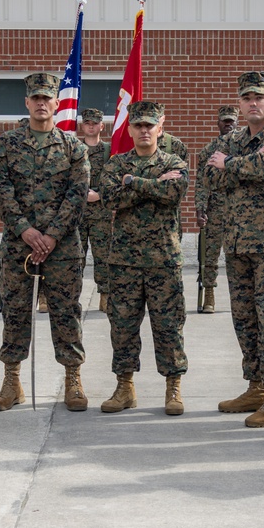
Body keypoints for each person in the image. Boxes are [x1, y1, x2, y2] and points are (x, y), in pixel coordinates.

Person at [205, 72, 264, 428]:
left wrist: (231, 164)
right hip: (237, 243)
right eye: (247, 98)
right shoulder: (233, 138)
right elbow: (209, 173)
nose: (253, 103)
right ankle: (256, 385)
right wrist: (241, 164)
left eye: (259, 97)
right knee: (244, 319)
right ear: (240, 103)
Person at [0, 73, 89, 412]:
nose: (42, 103)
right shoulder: (5, 145)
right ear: (27, 103)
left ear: (56, 104)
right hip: (19, 245)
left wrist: (50, 236)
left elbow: (77, 196)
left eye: (48, 98)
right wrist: (25, 231)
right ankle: (11, 380)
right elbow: (1, 193)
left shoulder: (73, 147)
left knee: (66, 313)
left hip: (62, 246)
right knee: (15, 312)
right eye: (36, 98)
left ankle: (73, 379)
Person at [99, 101, 189, 415]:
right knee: (122, 327)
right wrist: (152, 185)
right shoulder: (115, 163)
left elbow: (173, 194)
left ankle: (173, 389)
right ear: (130, 129)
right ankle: (125, 388)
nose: (144, 130)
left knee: (168, 327)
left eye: (150, 125)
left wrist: (132, 183)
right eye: (139, 125)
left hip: (164, 260)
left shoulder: (174, 160)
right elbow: (109, 198)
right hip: (124, 260)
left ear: (159, 127)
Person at [195, 105, 238, 313]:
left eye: (231, 121)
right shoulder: (208, 151)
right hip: (216, 207)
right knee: (210, 254)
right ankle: (209, 293)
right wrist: (200, 208)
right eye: (225, 121)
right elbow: (202, 182)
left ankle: (241, 297)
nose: (228, 124)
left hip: (241, 208)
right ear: (218, 123)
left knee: (239, 255)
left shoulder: (244, 147)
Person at [78, 108, 113, 313]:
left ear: (102, 126)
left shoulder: (109, 151)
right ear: (82, 126)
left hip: (101, 213)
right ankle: (72, 298)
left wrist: (100, 195)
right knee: (76, 257)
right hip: (77, 214)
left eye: (95, 123)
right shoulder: (74, 150)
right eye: (87, 123)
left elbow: (115, 180)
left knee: (103, 257)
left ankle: (105, 296)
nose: (91, 126)